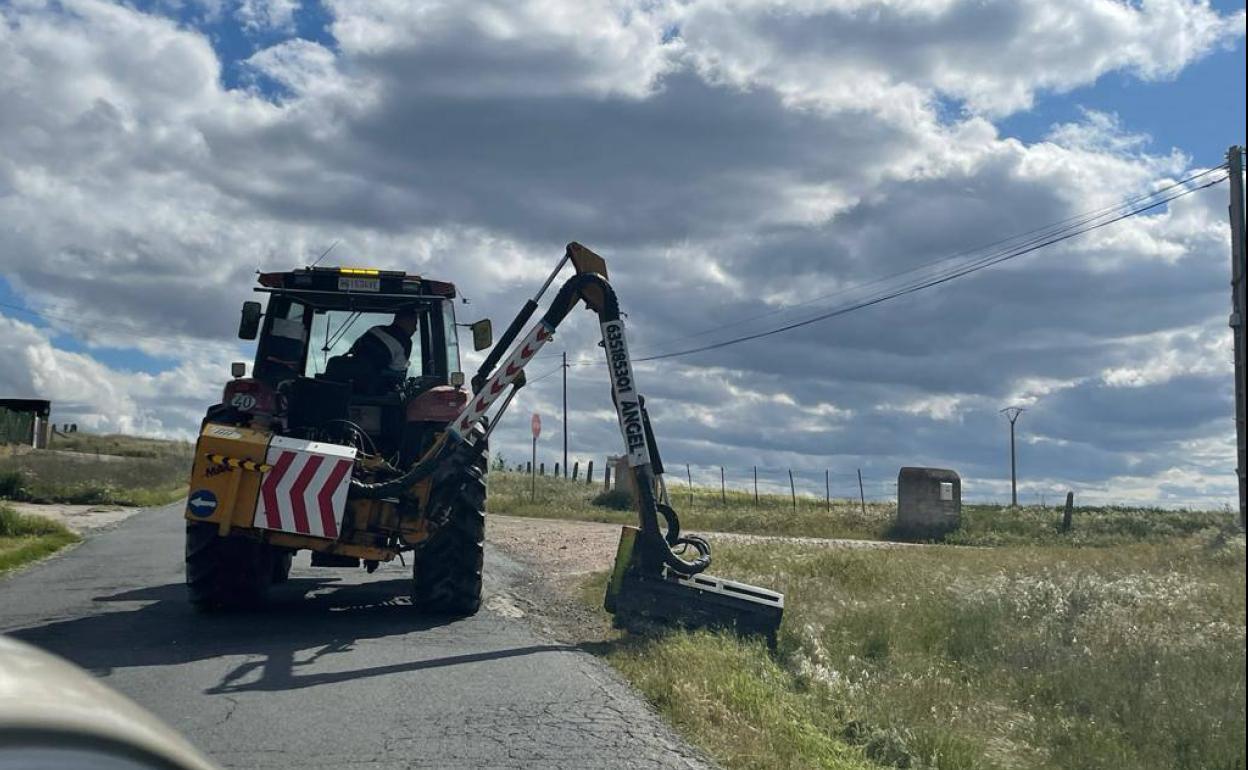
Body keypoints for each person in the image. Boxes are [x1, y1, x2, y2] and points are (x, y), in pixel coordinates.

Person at [345, 308, 418, 390]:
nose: (415, 329)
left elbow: (352, 351)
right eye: (414, 324)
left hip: (347, 384)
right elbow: (398, 374)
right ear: (406, 321)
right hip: (372, 390)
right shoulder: (404, 342)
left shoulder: (375, 329)